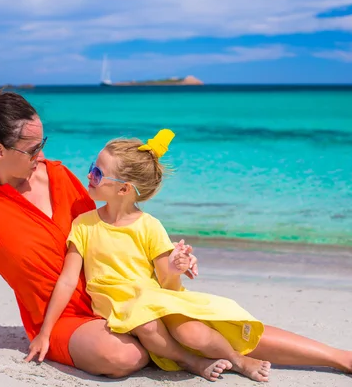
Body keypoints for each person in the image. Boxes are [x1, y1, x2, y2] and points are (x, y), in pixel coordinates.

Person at [0, 81, 352, 387]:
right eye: (33, 148)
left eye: (46, 143)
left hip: (123, 294)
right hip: (64, 315)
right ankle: (175, 350)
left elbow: (118, 220)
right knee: (123, 357)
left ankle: (344, 358)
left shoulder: (64, 175)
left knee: (207, 323)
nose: (43, 155)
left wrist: (170, 260)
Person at [25, 129, 271, 382]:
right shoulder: (84, 224)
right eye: (92, 167)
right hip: (119, 305)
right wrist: (46, 331)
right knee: (147, 325)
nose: (89, 175)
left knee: (193, 333)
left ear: (123, 190)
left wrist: (176, 267)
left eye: (97, 173)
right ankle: (192, 361)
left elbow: (167, 284)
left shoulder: (149, 225)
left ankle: (239, 359)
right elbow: (66, 280)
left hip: (153, 298)